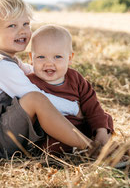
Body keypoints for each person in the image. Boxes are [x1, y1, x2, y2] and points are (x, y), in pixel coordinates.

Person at [0, 0, 98, 159]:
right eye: (12, 26)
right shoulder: (1, 65)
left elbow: (34, 71)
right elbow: (36, 95)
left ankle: (80, 139)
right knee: (35, 98)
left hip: (3, 133)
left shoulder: (5, 59)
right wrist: (74, 107)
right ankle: (90, 148)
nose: (22, 31)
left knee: (41, 90)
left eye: (26, 23)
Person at [27, 24, 113, 154]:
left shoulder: (75, 78)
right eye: (41, 57)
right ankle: (80, 150)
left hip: (81, 126)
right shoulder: (30, 82)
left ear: (70, 58)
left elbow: (92, 106)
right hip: (56, 131)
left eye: (57, 57)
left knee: (105, 119)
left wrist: (101, 131)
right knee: (53, 145)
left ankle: (101, 141)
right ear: (31, 58)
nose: (49, 63)